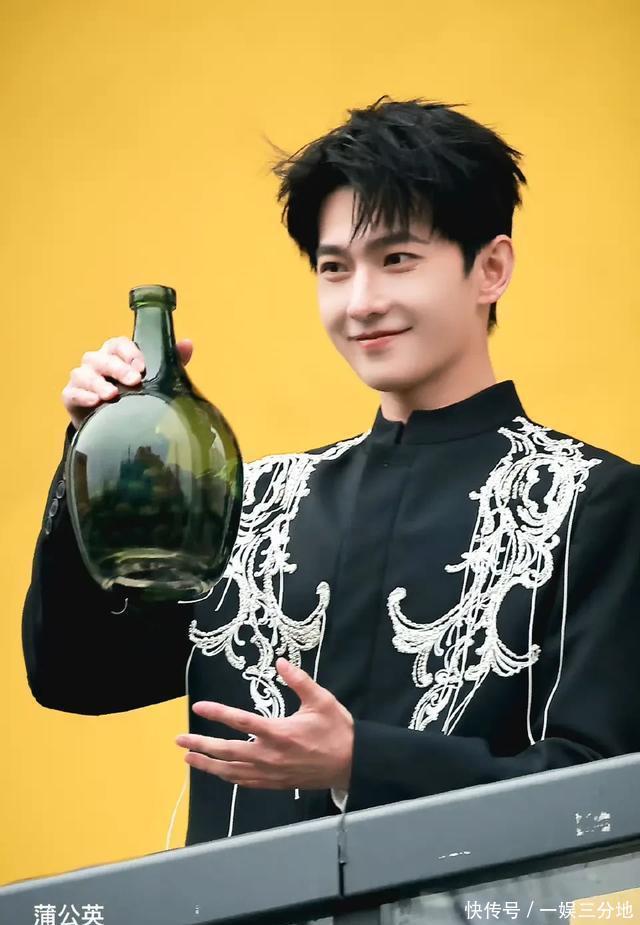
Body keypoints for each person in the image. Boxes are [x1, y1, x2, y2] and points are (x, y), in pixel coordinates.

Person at [22, 96, 640, 848]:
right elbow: (78, 674)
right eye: (334, 269)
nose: (362, 303)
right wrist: (92, 446)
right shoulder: (258, 502)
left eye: (397, 260)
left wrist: (362, 762)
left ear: (491, 268)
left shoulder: (592, 500)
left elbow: (603, 792)